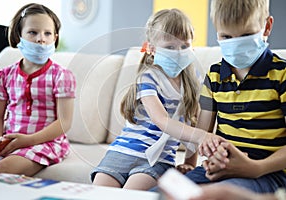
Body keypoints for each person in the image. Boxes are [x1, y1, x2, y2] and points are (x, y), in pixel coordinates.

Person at [91, 8, 224, 191]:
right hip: (121, 153)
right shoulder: (147, 78)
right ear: (152, 49)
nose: (178, 52)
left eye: (184, 46)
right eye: (170, 47)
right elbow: (162, 120)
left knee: (130, 194)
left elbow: (192, 124)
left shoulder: (194, 84)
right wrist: (204, 136)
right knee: (98, 194)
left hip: (158, 161)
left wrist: (189, 163)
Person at [183, 0, 286, 194]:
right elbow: (202, 133)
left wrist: (256, 168)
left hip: (269, 173)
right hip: (222, 168)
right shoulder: (213, 76)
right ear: (217, 32)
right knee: (162, 192)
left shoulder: (282, 75)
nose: (236, 43)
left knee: (218, 195)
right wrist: (191, 162)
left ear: (267, 26)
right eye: (226, 36)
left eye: (246, 35)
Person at [0, 3, 76, 177]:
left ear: (55, 38)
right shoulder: (4, 75)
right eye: (33, 32)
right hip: (11, 142)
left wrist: (27, 140)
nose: (41, 38)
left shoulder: (62, 76)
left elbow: (65, 122)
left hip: (46, 143)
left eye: (47, 33)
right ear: (19, 35)